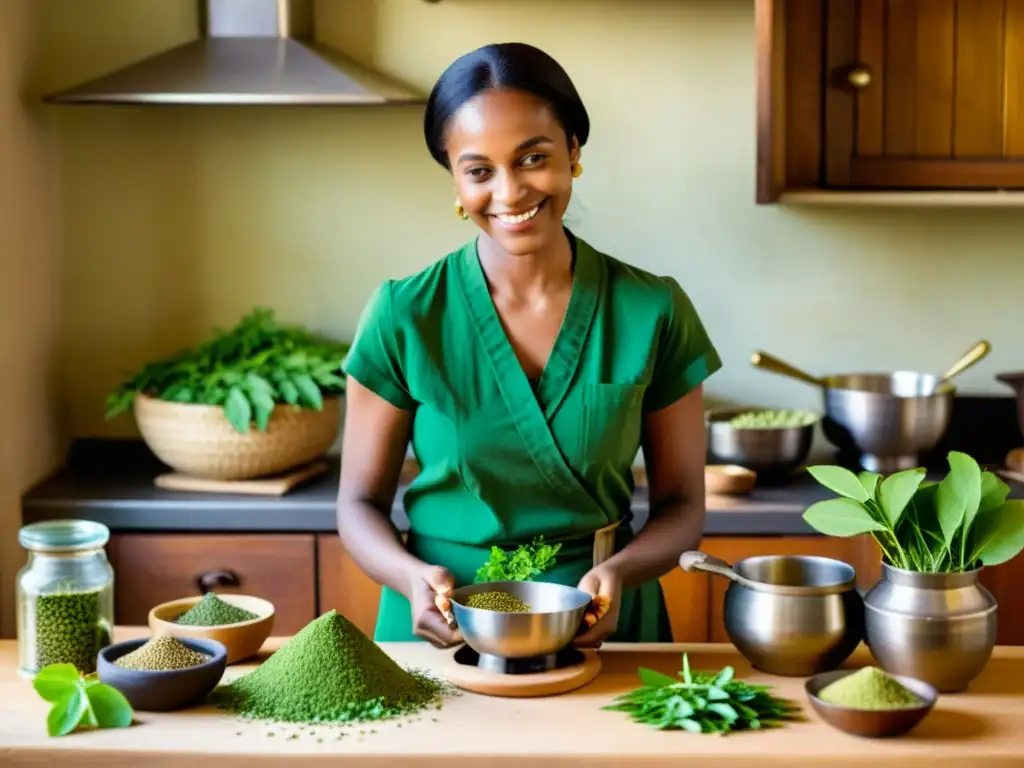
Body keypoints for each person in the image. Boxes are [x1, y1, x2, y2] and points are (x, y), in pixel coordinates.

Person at [336, 42, 721, 649]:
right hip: (444, 619)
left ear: (572, 152)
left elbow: (681, 507)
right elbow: (357, 504)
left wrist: (621, 572)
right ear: (455, 180)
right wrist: (409, 577)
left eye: (533, 158)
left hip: (604, 622)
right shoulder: (404, 313)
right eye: (479, 170)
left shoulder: (653, 310)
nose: (510, 192)